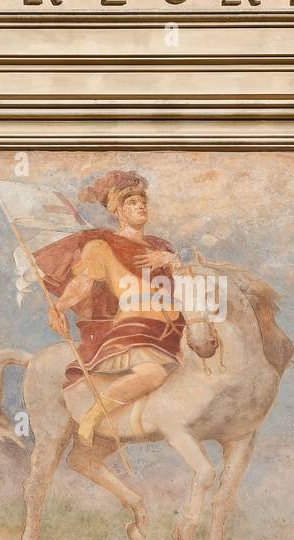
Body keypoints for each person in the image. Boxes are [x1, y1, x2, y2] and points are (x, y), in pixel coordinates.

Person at [33, 171, 184, 445]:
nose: (140, 206)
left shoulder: (162, 246)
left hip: (175, 327)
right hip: (135, 330)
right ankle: (93, 415)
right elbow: (83, 283)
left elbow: (181, 287)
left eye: (142, 201)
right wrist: (59, 306)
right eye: (132, 204)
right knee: (153, 374)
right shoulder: (103, 245)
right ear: (119, 212)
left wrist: (172, 261)